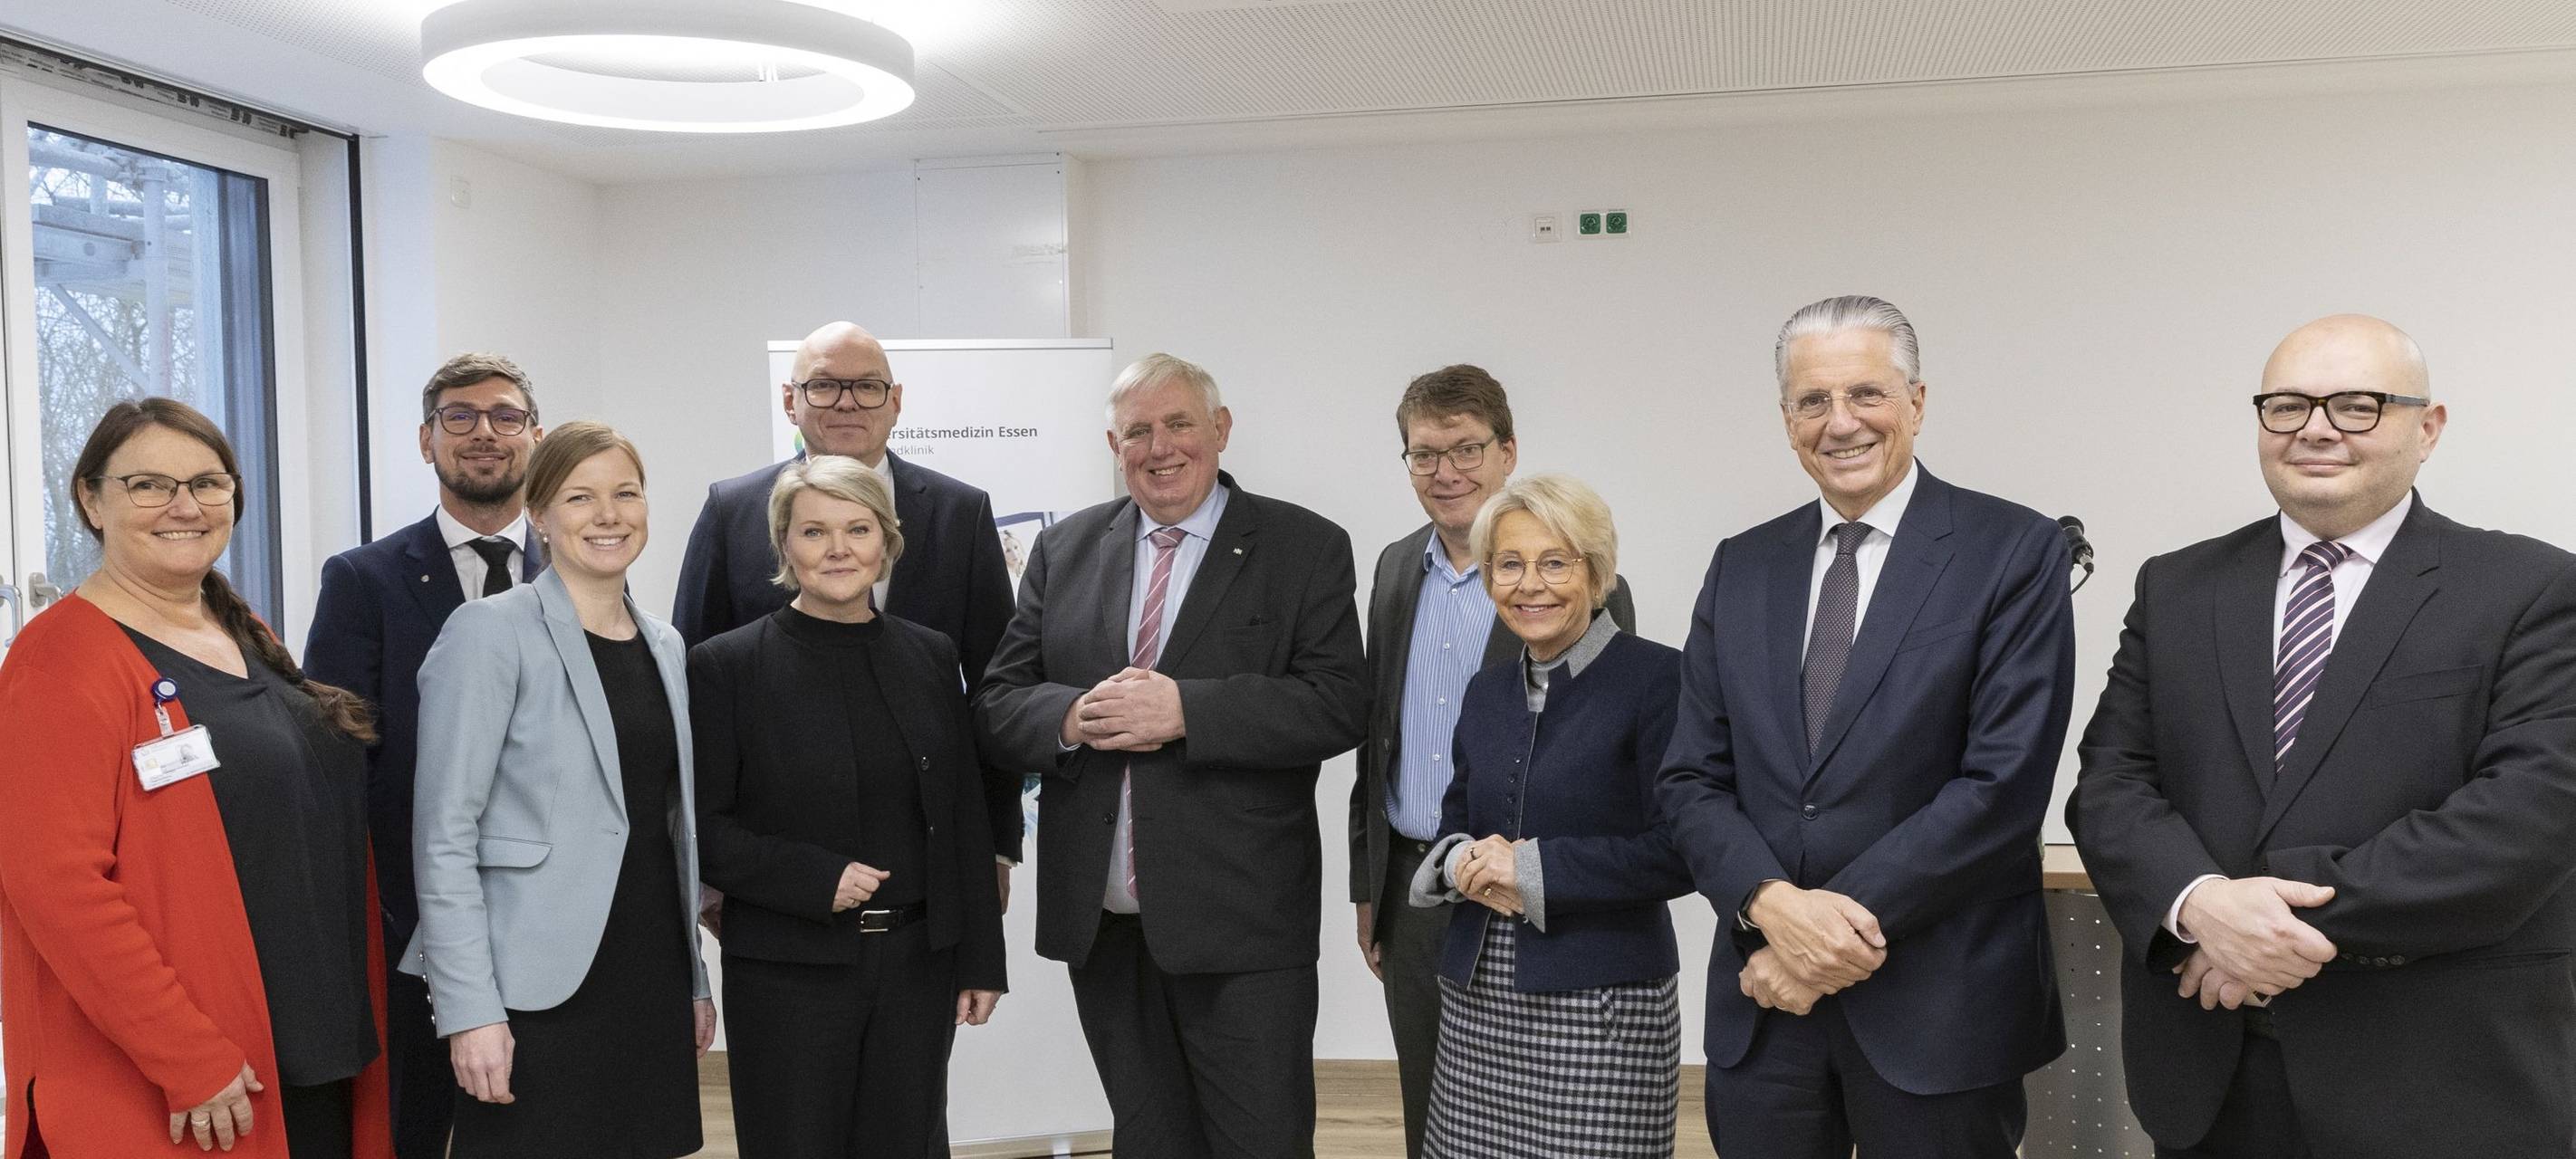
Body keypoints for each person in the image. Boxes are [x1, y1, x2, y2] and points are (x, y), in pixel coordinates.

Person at [2068, 314, 2576, 1157]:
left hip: (2440, 1082)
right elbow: (2112, 784)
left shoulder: (2533, 587)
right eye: (2287, 406)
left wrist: (2257, 922)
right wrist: (2201, 904)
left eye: (2357, 405)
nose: (2315, 429)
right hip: (2214, 1075)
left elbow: (2527, 818)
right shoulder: (2178, 586)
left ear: (2428, 428)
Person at [1658, 295, 2076, 1158]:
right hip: (1764, 1012)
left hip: (1939, 1013)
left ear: (1916, 402)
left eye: (1866, 394)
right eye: (1813, 401)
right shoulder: (1742, 564)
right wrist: (1772, 907)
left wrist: (1818, 942)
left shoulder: (2014, 550)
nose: (1840, 422)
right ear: (1787, 421)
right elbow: (1691, 777)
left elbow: (2001, 787)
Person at [976, 353, 1370, 1157]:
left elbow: (1337, 704)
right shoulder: (1064, 549)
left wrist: (1188, 709)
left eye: (1180, 424)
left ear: (1220, 429)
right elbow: (998, 705)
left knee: (1261, 1143)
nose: (1160, 448)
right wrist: (1075, 716)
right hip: (1106, 925)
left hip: (1242, 927)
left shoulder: (1304, 546)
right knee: (1149, 1140)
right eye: (1138, 432)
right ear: (1113, 445)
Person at [0, 398, 392, 1158]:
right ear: (91, 500)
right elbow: (56, 886)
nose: (184, 506)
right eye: (149, 484)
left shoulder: (240, 632)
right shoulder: (60, 660)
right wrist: (185, 1055)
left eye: (208, 483)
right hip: (189, 1082)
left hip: (308, 1054)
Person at [405, 421, 715, 1157]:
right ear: (538, 514)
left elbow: (669, 828)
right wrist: (469, 1009)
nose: (608, 515)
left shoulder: (667, 644)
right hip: (529, 989)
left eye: (626, 494)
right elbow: (444, 836)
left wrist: (695, 980)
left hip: (649, 971)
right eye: (580, 497)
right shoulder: (488, 631)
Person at [1350, 364, 1638, 1156]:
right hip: (1415, 883)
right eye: (1424, 454)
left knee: (1539, 1116)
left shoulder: (1574, 582)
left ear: (1508, 452)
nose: (1446, 472)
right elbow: (1378, 738)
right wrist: (1368, 885)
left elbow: (1606, 761)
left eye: (1467, 449)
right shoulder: (1394, 568)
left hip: (1524, 889)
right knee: (1433, 1112)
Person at [689, 455, 1008, 1157]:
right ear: (784, 545)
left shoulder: (930, 656)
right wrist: (813, 877)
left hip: (916, 972)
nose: (838, 549)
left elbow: (961, 816)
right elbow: (701, 830)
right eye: (814, 531)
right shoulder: (725, 666)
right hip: (786, 974)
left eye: (858, 529)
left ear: (887, 542)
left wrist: (982, 960)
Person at [672, 321, 1022, 898]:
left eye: (867, 386)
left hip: (926, 842)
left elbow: (996, 687)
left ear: (896, 401)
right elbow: (691, 685)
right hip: (774, 853)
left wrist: (997, 844)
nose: (847, 402)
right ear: (790, 401)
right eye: (824, 385)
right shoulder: (732, 510)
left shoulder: (961, 513)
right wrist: (713, 875)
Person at [1407, 474, 1691, 1158]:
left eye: (1555, 562)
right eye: (1509, 564)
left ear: (1597, 573)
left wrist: (1530, 867)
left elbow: (1681, 850)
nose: (1529, 585)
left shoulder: (1661, 679)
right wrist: (1461, 860)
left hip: (1602, 1005)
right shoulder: (1487, 689)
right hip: (1478, 1001)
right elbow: (1455, 819)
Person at [306, 352, 543, 1159]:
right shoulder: (363, 580)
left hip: (550, 918)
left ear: (534, 436)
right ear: (424, 439)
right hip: (412, 918)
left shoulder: (580, 573)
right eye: (459, 417)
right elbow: (341, 759)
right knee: (415, 1125)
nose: (484, 433)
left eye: (505, 416)